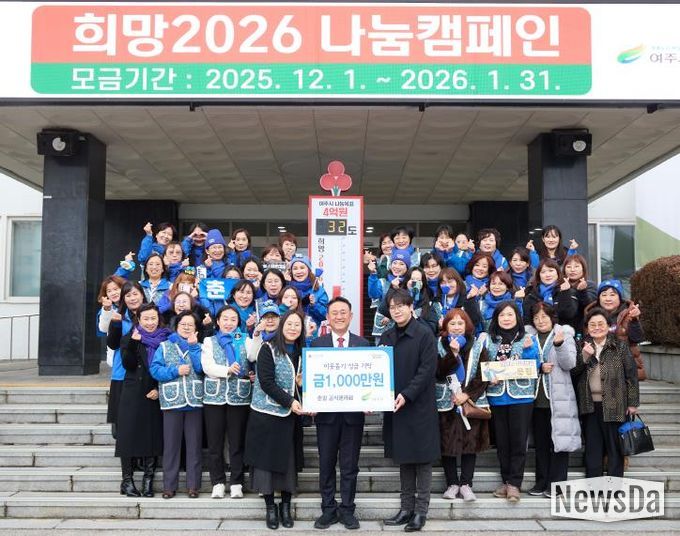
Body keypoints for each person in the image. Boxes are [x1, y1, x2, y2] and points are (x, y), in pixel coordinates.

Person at [381, 289, 439, 532]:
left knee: (422, 460)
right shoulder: (387, 336)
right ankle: (406, 509)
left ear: (410, 307)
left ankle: (420, 511)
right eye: (392, 307)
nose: (396, 311)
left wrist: (407, 394)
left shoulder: (424, 334)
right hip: (395, 407)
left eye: (401, 306)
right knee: (404, 457)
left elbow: (427, 371)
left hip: (419, 406)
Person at [310, 297, 370, 530]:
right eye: (334, 312)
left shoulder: (363, 344)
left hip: (353, 416)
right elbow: (312, 378)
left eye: (343, 312)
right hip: (326, 416)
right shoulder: (317, 344)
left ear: (351, 316)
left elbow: (368, 378)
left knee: (349, 465)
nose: (339, 316)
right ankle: (328, 509)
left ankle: (347, 509)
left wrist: (371, 398)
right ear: (327, 317)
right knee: (326, 464)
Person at [245, 310, 307, 530]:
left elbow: (304, 383)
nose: (293, 328)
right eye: (289, 324)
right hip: (267, 415)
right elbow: (266, 382)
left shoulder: (303, 352)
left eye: (297, 325)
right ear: (281, 325)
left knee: (289, 463)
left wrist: (301, 387)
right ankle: (270, 507)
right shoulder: (267, 348)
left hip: (291, 416)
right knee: (266, 464)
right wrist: (290, 401)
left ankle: (286, 506)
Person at [571, 307, 640, 478]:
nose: (597, 327)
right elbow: (572, 373)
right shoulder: (581, 346)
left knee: (615, 449)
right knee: (593, 449)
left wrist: (632, 403)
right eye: (592, 324)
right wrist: (584, 357)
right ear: (587, 328)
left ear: (609, 326)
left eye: (600, 324)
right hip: (589, 405)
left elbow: (631, 376)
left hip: (616, 404)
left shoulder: (619, 346)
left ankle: (614, 486)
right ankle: (593, 485)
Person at [486, 302, 540, 503]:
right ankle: (506, 480)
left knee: (518, 441)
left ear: (517, 317)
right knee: (502, 443)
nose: (506, 318)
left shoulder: (527, 338)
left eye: (510, 314)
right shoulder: (489, 340)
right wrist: (489, 377)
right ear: (496, 318)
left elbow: (536, 365)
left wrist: (528, 350)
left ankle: (515, 483)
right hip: (497, 395)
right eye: (502, 315)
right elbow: (483, 365)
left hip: (521, 396)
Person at [525, 302, 581, 498]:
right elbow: (522, 365)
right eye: (536, 317)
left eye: (544, 317)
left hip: (559, 398)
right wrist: (538, 367)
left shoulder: (564, 335)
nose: (540, 321)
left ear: (552, 317)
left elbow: (569, 364)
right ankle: (541, 482)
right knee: (541, 444)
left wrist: (559, 345)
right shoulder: (528, 337)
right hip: (536, 399)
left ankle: (557, 484)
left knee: (559, 441)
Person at [116, 303, 170, 497]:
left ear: (158, 319)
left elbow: (168, 366)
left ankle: (148, 480)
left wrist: (159, 389)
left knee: (151, 435)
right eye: (145, 319)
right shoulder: (129, 337)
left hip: (154, 391)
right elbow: (128, 364)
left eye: (153, 318)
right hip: (133, 391)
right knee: (127, 434)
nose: (150, 322)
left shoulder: (166, 338)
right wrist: (133, 343)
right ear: (138, 320)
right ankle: (127, 480)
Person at [201, 305, 255, 499]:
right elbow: (207, 366)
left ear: (238, 322)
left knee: (236, 442)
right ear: (217, 321)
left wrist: (257, 335)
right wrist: (227, 370)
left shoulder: (244, 339)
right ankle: (217, 482)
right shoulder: (209, 340)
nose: (229, 323)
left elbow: (253, 356)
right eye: (225, 319)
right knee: (214, 443)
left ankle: (237, 482)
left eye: (233, 319)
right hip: (214, 398)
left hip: (238, 397)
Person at [436, 309, 489, 502]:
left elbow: (484, 375)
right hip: (446, 402)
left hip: (470, 401)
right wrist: (452, 353)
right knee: (447, 444)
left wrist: (466, 394)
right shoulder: (438, 344)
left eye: (460, 323)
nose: (457, 327)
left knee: (470, 443)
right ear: (445, 326)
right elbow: (437, 372)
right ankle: (452, 484)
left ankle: (466, 484)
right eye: (452, 324)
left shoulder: (478, 346)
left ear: (467, 325)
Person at [149, 311, 204, 499]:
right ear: (176, 326)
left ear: (196, 329)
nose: (187, 327)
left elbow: (201, 369)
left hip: (194, 402)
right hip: (172, 402)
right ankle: (169, 487)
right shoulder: (164, 346)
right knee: (171, 447)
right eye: (183, 324)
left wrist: (194, 348)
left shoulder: (200, 347)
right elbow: (155, 370)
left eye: (191, 324)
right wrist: (175, 370)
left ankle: (193, 486)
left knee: (194, 446)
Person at [583, 279, 646, 380]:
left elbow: (637, 339)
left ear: (620, 297)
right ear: (598, 298)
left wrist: (634, 320)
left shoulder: (629, 313)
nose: (608, 298)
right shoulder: (591, 315)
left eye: (612, 295)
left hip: (626, 369)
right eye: (604, 295)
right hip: (598, 369)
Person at [522, 259, 578, 326]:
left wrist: (565, 292)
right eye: (543, 272)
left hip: (562, 330)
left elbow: (569, 314)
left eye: (551, 271)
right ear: (539, 275)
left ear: (558, 273)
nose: (547, 275)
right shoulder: (531, 294)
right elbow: (527, 320)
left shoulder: (568, 290)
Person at [562, 254, 597, 337]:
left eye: (576, 266)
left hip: (583, 329)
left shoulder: (590, 285)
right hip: (562, 330)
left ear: (583, 269)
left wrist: (582, 291)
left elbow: (590, 306)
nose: (572, 270)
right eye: (569, 267)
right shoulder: (559, 286)